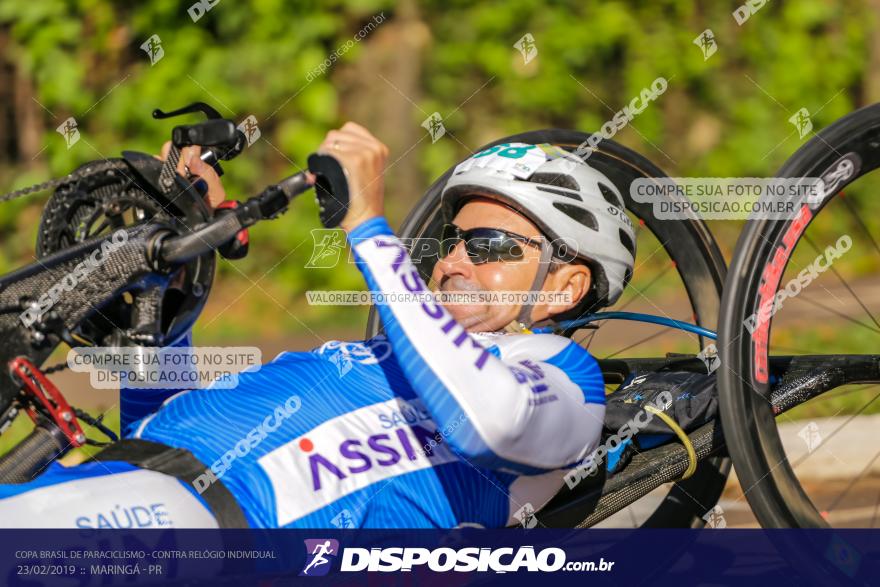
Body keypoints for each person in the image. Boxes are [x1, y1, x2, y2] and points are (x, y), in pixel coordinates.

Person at [0, 123, 637, 528]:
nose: (451, 260)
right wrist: (166, 287)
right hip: (106, 482)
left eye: (491, 245)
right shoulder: (388, 357)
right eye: (452, 239)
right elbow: (156, 428)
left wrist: (368, 228)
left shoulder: (567, 381)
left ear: (565, 286)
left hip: (188, 527)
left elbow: (491, 423)